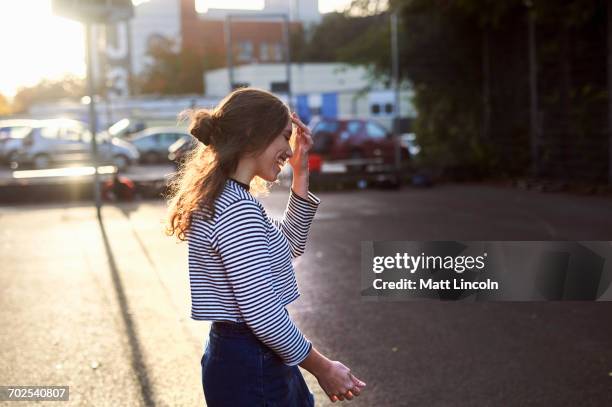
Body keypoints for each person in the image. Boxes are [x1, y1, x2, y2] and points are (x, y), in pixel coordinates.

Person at [165, 88, 366, 405]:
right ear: (251, 133)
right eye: (284, 137)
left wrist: (301, 173)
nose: (289, 148)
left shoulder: (226, 199)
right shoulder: (236, 209)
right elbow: (261, 312)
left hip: (246, 355)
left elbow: (288, 246)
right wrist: (322, 366)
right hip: (252, 357)